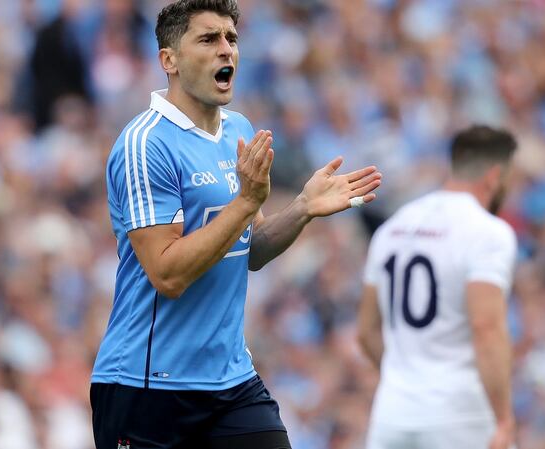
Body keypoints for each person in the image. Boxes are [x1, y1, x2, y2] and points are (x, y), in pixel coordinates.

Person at [90, 1, 382, 448]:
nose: (226, 50)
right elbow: (167, 274)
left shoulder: (237, 129)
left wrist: (301, 207)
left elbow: (251, 250)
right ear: (169, 60)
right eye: (208, 39)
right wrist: (246, 201)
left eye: (232, 38)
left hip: (230, 380)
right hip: (148, 384)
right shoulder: (144, 145)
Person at [357, 126, 518, 449]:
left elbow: (366, 332)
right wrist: (503, 417)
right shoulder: (489, 232)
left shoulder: (394, 226)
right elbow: (486, 328)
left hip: (392, 416)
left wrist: (405, 378)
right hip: (459, 416)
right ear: (495, 176)